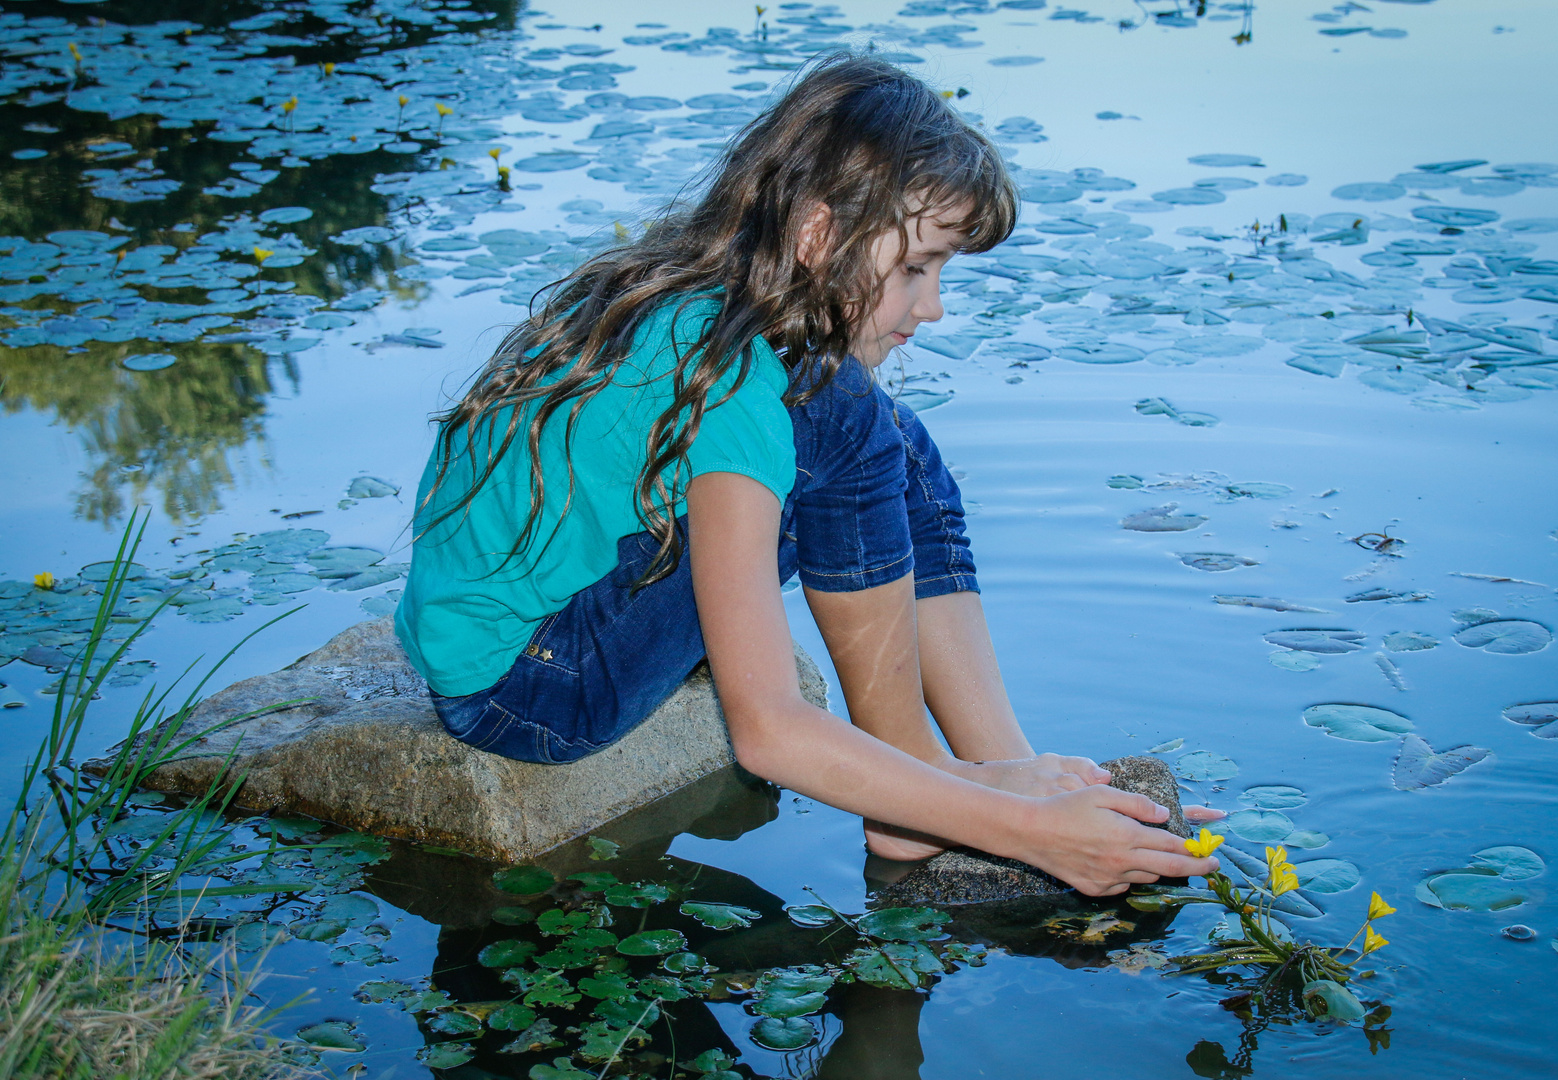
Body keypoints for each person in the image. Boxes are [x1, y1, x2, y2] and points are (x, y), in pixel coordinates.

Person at [395, 54, 1219, 896]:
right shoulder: (728, 381)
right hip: (530, 689)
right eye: (914, 269)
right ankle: (917, 798)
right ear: (820, 235)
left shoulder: (693, 307)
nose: (932, 305)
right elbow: (768, 734)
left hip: (524, 641)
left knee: (895, 438)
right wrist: (1035, 836)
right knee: (849, 418)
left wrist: (1029, 793)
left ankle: (995, 761)